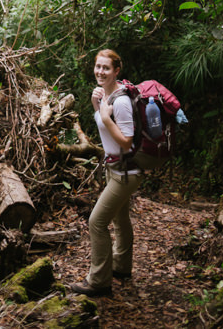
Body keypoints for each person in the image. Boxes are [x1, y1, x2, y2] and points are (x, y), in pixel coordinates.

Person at [70, 48, 142, 298]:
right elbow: (103, 128)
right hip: (115, 169)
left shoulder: (120, 101)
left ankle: (99, 281)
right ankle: (121, 267)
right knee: (120, 219)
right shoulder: (106, 96)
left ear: (116, 71)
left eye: (106, 68)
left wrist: (105, 115)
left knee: (96, 222)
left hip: (125, 171)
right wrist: (96, 105)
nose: (100, 71)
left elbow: (126, 141)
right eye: (98, 66)